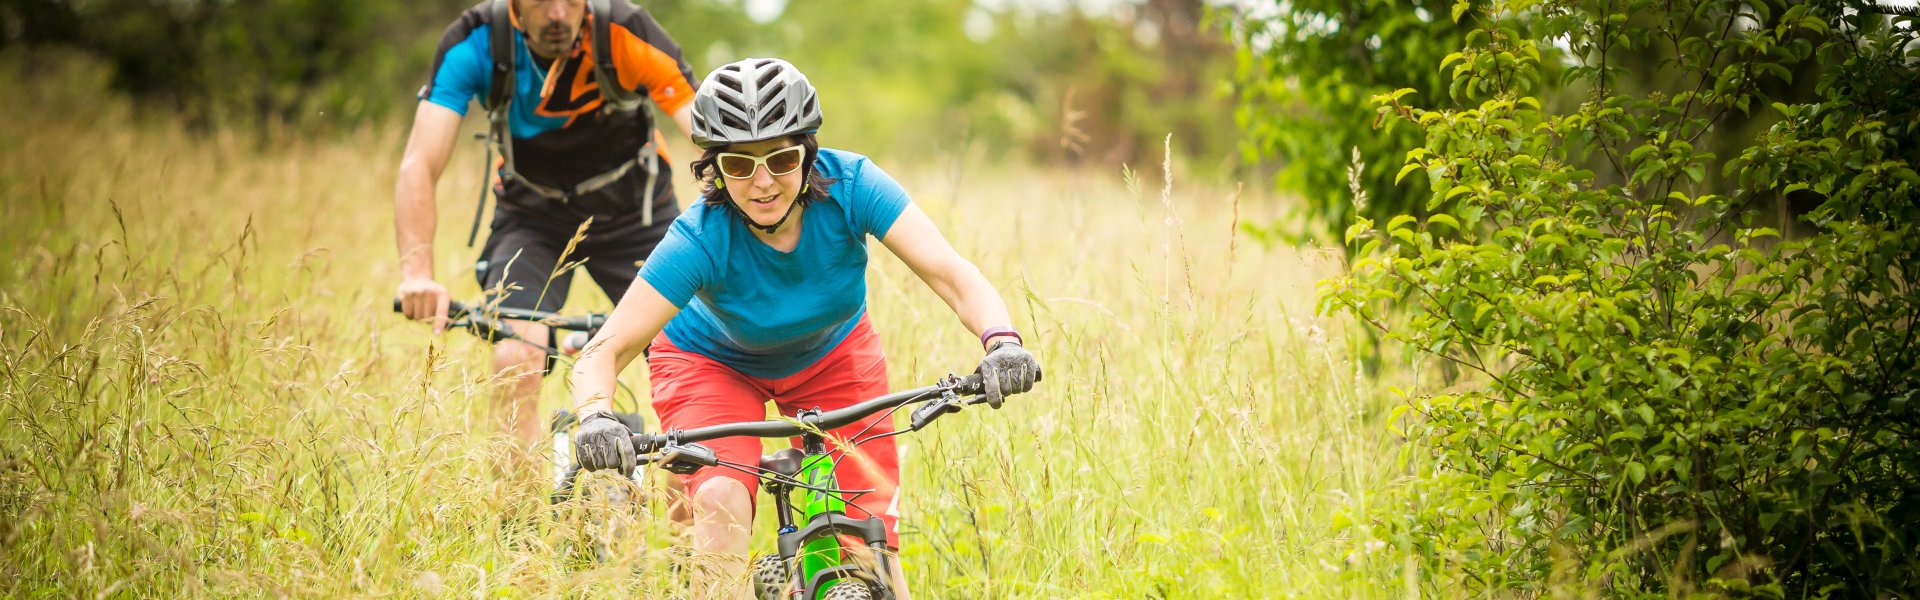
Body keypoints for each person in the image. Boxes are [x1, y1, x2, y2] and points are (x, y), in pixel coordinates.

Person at [567, 57, 1041, 596]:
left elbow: (953, 275)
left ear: (808, 153)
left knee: (871, 540)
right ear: (715, 169)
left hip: (832, 356)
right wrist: (596, 418)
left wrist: (1001, 341)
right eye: (739, 166)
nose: (763, 182)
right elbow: (603, 351)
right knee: (721, 502)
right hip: (712, 364)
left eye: (781, 158)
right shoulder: (698, 237)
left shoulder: (855, 185)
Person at [394, 0, 699, 449]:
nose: (557, 14)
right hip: (531, 218)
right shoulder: (477, 40)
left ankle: (685, 521)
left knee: (688, 359)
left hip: (637, 213)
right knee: (515, 355)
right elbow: (420, 163)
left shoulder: (624, 31)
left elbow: (713, 135)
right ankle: (520, 520)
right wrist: (417, 274)